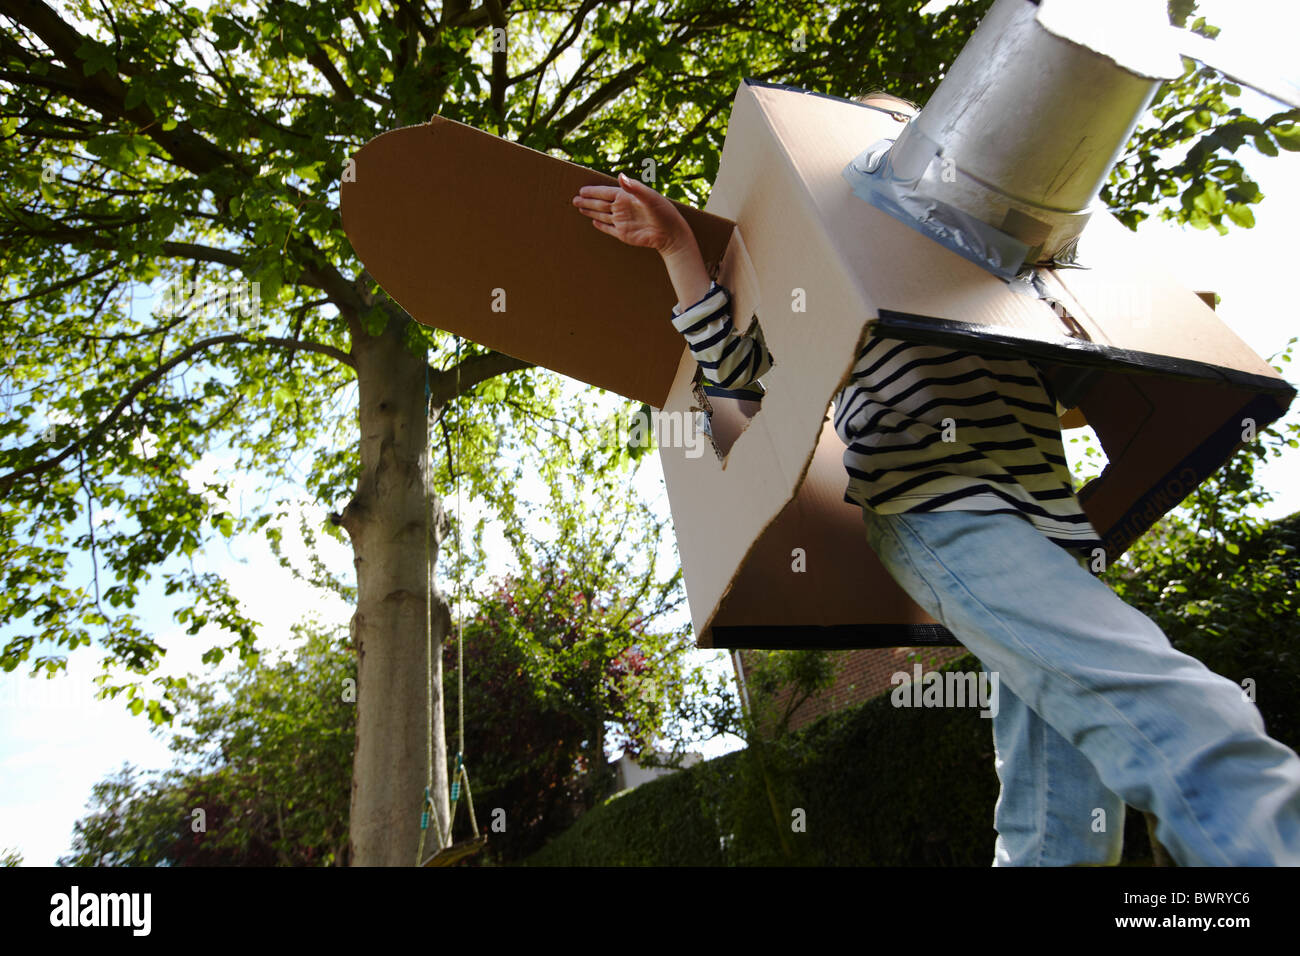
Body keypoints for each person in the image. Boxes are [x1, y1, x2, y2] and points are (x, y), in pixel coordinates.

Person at [571, 90, 1300, 866]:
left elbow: (1084, 367)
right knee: (1169, 707)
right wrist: (678, 246)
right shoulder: (822, 260)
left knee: (1062, 806)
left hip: (1054, 524)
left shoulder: (993, 263)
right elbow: (735, 367)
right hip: (937, 501)